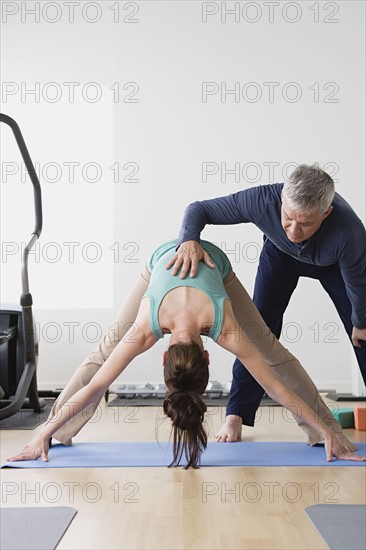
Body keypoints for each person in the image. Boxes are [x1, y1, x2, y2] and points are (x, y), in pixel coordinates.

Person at [8, 240, 364, 467]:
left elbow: (98, 388)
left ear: (167, 357)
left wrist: (326, 427)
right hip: (161, 260)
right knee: (109, 345)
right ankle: (56, 433)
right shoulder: (157, 327)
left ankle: (325, 435)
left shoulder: (217, 326)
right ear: (206, 356)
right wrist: (45, 430)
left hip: (214, 265)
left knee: (267, 345)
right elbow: (275, 389)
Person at [166, 164, 366, 442]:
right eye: (288, 218)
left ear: (326, 213)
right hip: (279, 257)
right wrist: (188, 240)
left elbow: (358, 282)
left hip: (334, 266)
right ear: (282, 200)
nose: (294, 230)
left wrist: (360, 322)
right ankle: (235, 416)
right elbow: (199, 209)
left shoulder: (349, 231)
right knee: (257, 333)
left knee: (364, 334)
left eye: (306, 223)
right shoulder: (262, 200)